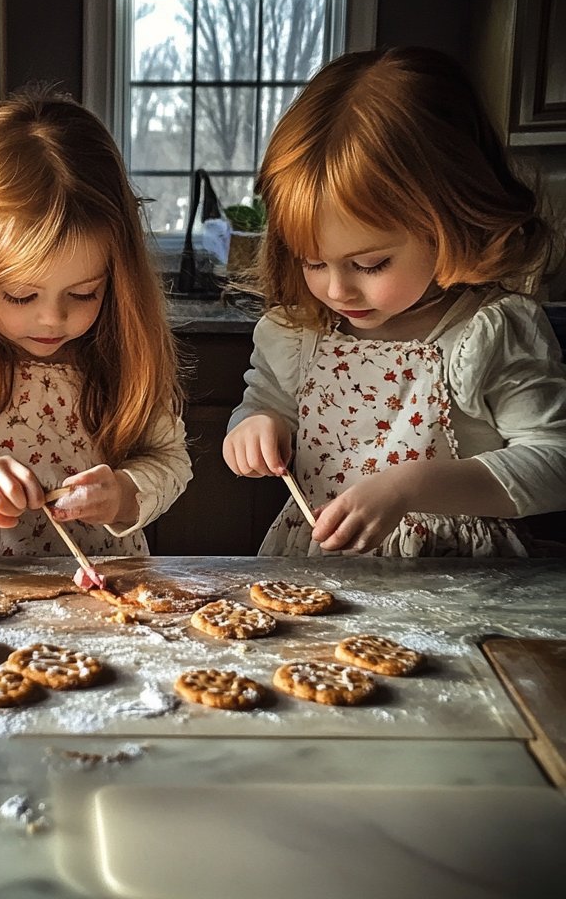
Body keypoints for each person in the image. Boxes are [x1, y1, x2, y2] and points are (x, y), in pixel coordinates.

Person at [222, 46, 566, 558]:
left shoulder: (487, 332)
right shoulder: (296, 333)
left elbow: (555, 464)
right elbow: (264, 404)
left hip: (456, 581)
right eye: (313, 262)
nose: (337, 290)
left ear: (450, 223)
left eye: (370, 264)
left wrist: (410, 487)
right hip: (318, 567)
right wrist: (254, 428)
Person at [0, 89, 192, 558]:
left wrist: (124, 492)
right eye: (20, 294)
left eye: (84, 293)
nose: (52, 318)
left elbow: (171, 462)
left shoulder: (120, 360)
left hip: (101, 596)